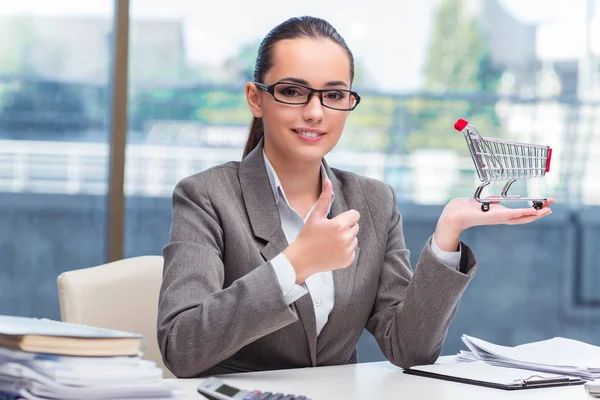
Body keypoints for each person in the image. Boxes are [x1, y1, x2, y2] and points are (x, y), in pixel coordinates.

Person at [157, 16, 554, 378]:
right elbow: (181, 347)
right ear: (256, 98)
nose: (315, 112)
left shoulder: (374, 201)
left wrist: (449, 231)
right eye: (293, 91)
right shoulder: (205, 196)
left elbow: (409, 348)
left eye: (333, 95)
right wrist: (294, 265)